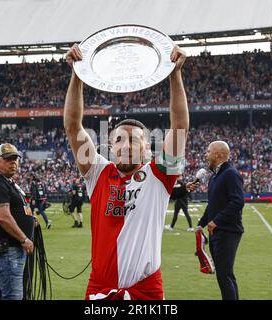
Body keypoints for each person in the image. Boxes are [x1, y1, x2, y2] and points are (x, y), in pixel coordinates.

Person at [64, 43, 188, 300]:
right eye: (119, 140)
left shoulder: (160, 176)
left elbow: (179, 127)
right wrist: (77, 74)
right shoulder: (98, 173)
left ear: (146, 148)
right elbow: (73, 126)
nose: (126, 145)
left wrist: (175, 74)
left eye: (134, 140)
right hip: (100, 289)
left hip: (146, 290)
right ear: (110, 146)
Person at [0, 143, 35, 300]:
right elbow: (3, 217)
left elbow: (15, 210)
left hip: (6, 247)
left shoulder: (7, 182)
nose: (13, 163)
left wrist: (31, 219)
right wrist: (24, 239)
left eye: (15, 159)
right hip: (6, 248)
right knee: (13, 296)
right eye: (8, 159)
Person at [196, 141, 244, 300]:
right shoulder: (215, 176)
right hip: (216, 232)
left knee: (224, 275)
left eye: (208, 151)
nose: (206, 154)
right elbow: (213, 205)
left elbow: (237, 201)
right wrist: (200, 224)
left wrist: (216, 221)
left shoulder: (230, 173)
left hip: (228, 231)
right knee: (224, 276)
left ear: (218, 154)